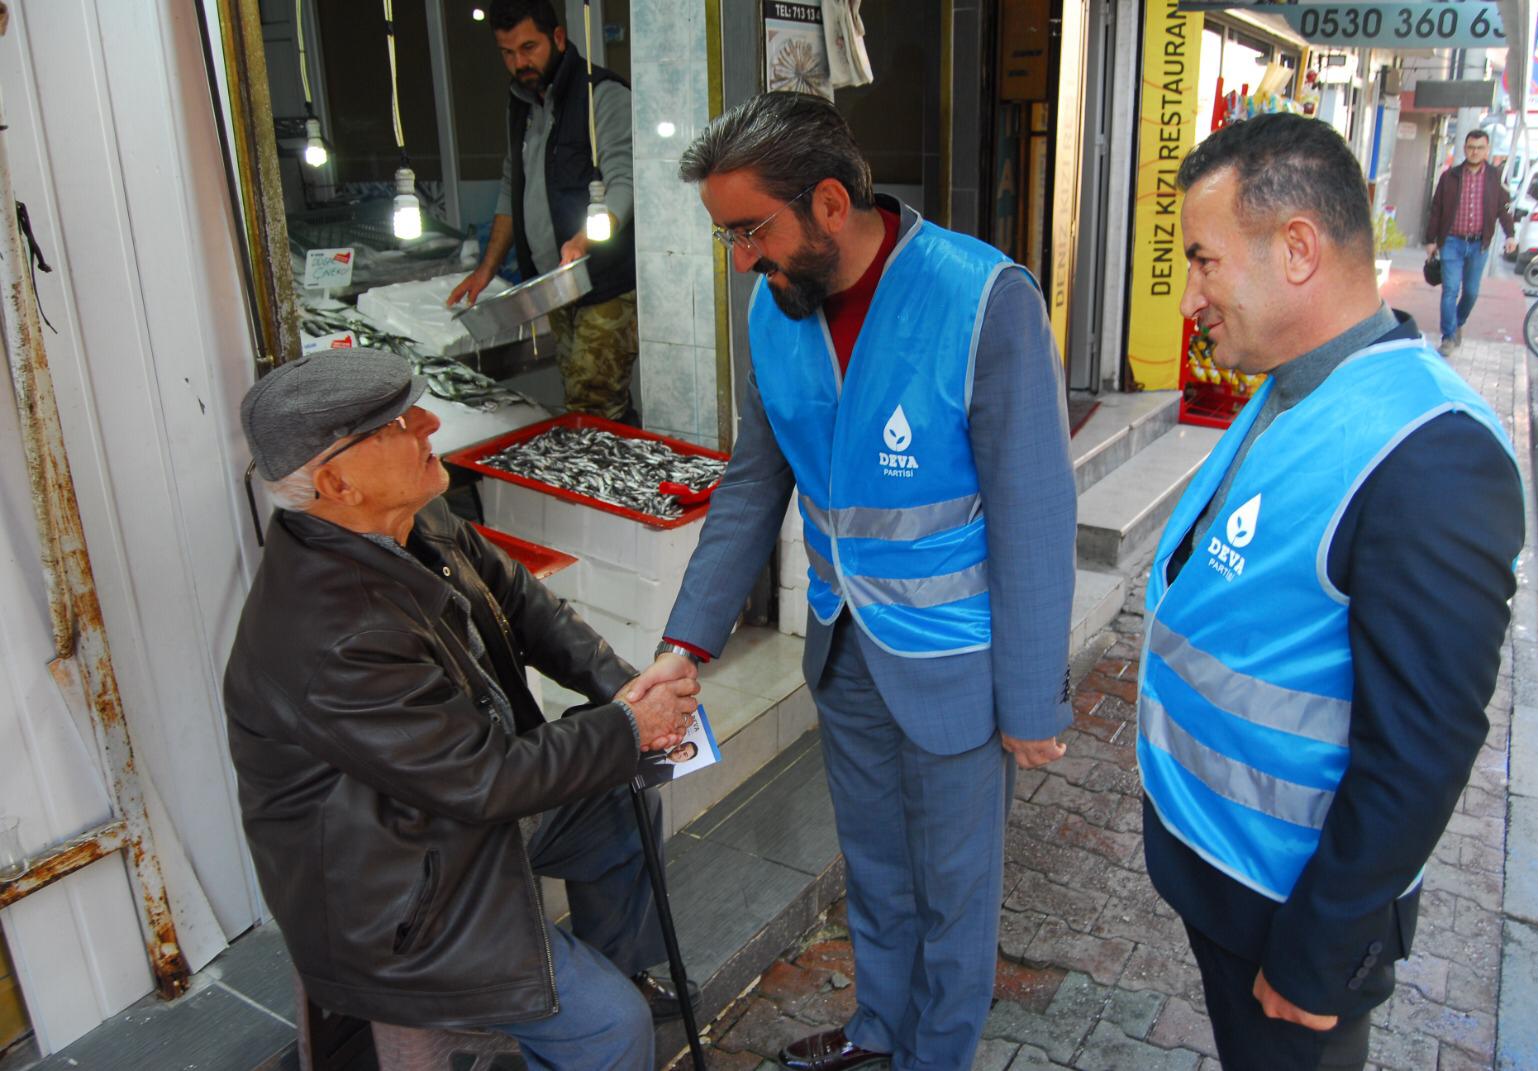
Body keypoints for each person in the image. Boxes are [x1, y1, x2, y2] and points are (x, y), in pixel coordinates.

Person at [624, 92, 1078, 1071]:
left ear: (830, 201)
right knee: (873, 872)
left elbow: (1036, 512)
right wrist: (683, 649)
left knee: (955, 892)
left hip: (957, 660)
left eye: (751, 229)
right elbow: (753, 483)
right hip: (842, 648)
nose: (739, 256)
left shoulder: (982, 299)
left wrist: (1033, 699)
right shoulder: (773, 310)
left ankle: (936, 1057)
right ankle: (878, 1035)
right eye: (729, 236)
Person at [1143, 113, 1523, 1070]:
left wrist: (1321, 956)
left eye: (1204, 261)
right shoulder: (1292, 383)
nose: (1190, 296)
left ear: (1299, 249)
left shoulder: (1434, 456)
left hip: (1292, 922)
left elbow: (1423, 750)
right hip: (1225, 876)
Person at [224, 348, 701, 1070]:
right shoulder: (332, 636)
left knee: (619, 793)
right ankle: (593, 1016)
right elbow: (485, 779)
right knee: (612, 1031)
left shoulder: (412, 517)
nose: (429, 421)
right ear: (335, 481)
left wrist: (626, 689)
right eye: (394, 423)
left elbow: (521, 602)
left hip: (447, 829)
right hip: (401, 905)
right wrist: (634, 726)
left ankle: (617, 967)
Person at [447, 0, 640, 424]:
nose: (520, 62)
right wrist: (486, 268)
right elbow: (510, 187)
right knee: (581, 395)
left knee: (594, 401)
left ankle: (608, 482)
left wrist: (590, 234)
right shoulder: (521, 102)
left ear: (557, 38)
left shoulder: (602, 94)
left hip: (606, 282)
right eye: (507, 53)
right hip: (558, 284)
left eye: (529, 47)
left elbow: (626, 184)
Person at [1424, 128, 1517, 355]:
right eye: (1471, 147)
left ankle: (1458, 323)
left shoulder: (1495, 177)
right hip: (1452, 242)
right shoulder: (1450, 176)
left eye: (1480, 148)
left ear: (1487, 150)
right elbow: (1436, 208)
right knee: (1450, 290)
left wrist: (1510, 234)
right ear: (1465, 149)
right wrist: (1431, 239)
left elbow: (1504, 209)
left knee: (1471, 292)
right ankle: (1448, 337)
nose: (1474, 152)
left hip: (1479, 244)